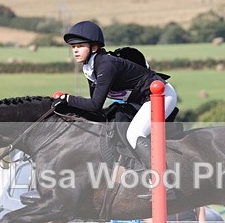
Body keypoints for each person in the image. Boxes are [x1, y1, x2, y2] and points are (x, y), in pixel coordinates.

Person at [53, 20, 178, 166]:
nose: (75, 50)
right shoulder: (90, 68)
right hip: (139, 101)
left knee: (134, 134)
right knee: (116, 120)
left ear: (94, 48)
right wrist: (68, 106)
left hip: (161, 96)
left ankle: (164, 181)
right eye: (73, 47)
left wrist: (67, 99)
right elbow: (96, 105)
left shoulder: (106, 66)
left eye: (80, 46)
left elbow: (94, 104)